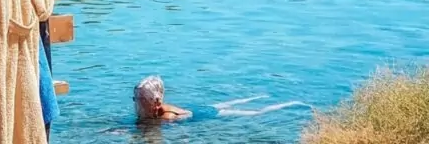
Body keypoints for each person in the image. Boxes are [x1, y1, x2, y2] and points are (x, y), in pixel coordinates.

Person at [132, 76, 310, 124]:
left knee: (255, 113)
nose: (137, 102)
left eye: (141, 99)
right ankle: (260, 96)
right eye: (136, 98)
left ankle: (291, 103)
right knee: (234, 102)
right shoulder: (154, 109)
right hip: (197, 108)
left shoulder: (167, 117)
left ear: (155, 102)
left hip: (206, 114)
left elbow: (152, 130)